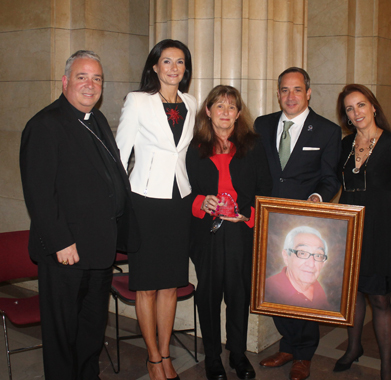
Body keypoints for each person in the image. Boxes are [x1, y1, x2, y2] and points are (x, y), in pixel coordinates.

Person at [19, 50, 140, 380]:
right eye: (82, 77)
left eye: (97, 78)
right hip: (66, 253)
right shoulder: (45, 125)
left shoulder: (96, 119)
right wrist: (62, 242)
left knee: (90, 327)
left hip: (98, 249)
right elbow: (39, 194)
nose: (90, 84)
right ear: (65, 81)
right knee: (62, 333)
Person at [115, 39, 197, 380]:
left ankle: (165, 354)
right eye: (167, 61)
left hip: (179, 201)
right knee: (147, 285)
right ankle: (152, 359)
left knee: (170, 285)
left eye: (180, 62)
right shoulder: (138, 101)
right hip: (145, 200)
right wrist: (118, 205)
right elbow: (119, 154)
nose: (173, 68)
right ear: (154, 66)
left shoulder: (192, 102)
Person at [255, 67, 342, 380]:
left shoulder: (327, 131)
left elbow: (330, 178)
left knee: (303, 288)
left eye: (297, 90)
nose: (290, 96)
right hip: (268, 222)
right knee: (278, 286)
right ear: (277, 93)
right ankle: (288, 345)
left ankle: (304, 353)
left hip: (304, 221)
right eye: (284, 90)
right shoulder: (261, 125)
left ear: (308, 93)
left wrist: (319, 196)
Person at [186, 85, 273, 380]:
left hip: (240, 233)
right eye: (219, 107)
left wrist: (247, 216)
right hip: (206, 233)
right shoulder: (194, 147)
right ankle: (213, 357)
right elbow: (181, 192)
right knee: (208, 297)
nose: (225, 112)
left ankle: (237, 354)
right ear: (208, 111)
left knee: (238, 296)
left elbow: (265, 190)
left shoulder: (253, 145)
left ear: (238, 114)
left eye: (231, 107)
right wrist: (201, 201)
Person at [334, 84, 391, 380]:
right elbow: (331, 180)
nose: (357, 113)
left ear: (374, 107)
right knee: (352, 293)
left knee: (379, 298)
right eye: (350, 109)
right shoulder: (345, 145)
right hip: (350, 227)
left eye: (361, 105)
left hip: (382, 229)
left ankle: (385, 364)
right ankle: (353, 348)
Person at [265, 226, 330, 310]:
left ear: (323, 263)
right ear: (286, 256)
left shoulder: (319, 291)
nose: (311, 264)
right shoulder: (268, 290)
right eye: (302, 253)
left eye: (318, 255)